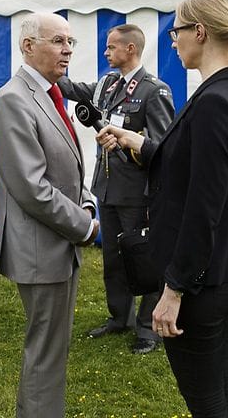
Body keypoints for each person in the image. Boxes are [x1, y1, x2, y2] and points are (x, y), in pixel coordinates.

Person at [97, 0, 228, 417]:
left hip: (203, 277)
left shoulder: (216, 101)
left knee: (206, 398)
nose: (173, 41)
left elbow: (203, 206)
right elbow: (194, 167)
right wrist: (141, 143)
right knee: (220, 388)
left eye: (176, 31)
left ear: (200, 31)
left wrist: (174, 290)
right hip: (220, 267)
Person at [0, 12, 100, 418]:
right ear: (28, 46)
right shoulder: (13, 100)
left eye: (70, 42)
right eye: (58, 41)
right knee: (46, 352)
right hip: (41, 247)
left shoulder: (48, 93)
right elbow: (32, 188)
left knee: (51, 348)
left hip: (56, 242)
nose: (67, 50)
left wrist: (86, 201)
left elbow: (65, 167)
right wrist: (84, 226)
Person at [58, 23, 174, 354]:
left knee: (143, 258)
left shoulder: (154, 91)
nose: (106, 52)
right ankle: (120, 317)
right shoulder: (108, 84)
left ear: (130, 49)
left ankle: (148, 328)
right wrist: (51, 64)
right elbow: (73, 89)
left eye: (111, 47)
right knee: (114, 259)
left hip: (138, 192)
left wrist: (129, 144)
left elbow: (162, 148)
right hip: (107, 188)